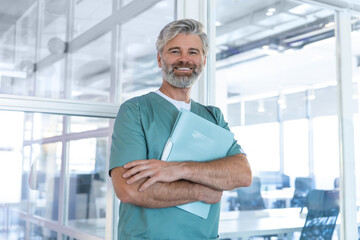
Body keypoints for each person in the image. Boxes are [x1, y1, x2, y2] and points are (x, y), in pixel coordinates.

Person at [109, 19, 252, 240]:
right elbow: (129, 189)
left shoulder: (213, 116)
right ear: (160, 59)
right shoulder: (136, 111)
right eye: (175, 51)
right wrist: (201, 191)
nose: (184, 59)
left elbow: (242, 174)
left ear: (203, 61)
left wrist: (178, 170)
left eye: (193, 52)